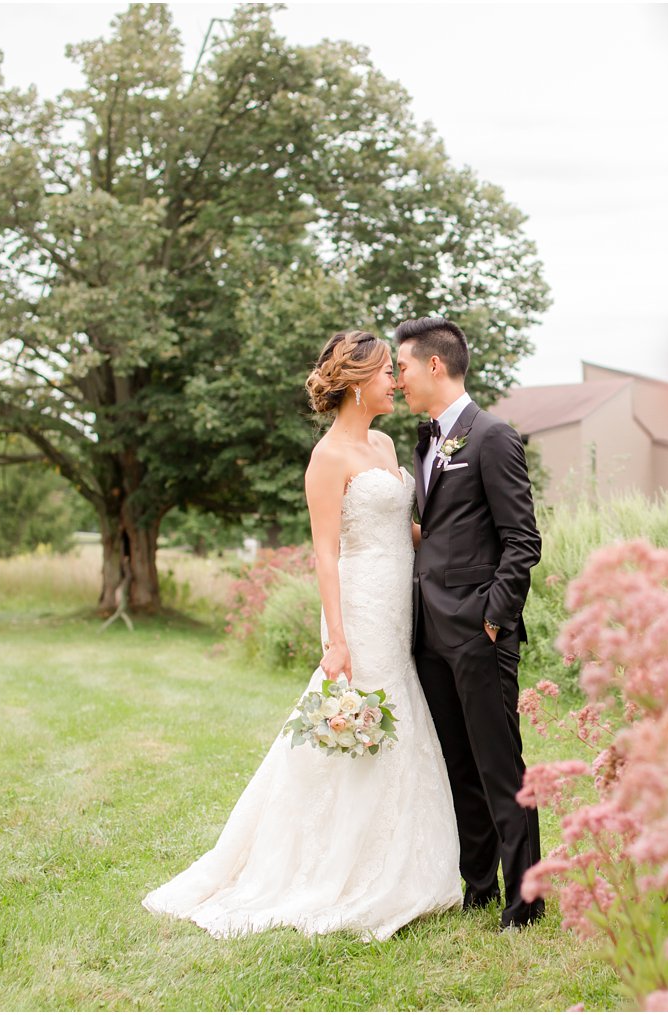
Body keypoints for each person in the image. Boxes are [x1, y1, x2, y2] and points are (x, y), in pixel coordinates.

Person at [142, 330, 461, 940]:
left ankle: (405, 853)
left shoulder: (387, 441)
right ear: (358, 382)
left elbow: (405, 527)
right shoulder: (328, 458)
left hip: (400, 603)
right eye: (386, 372)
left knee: (401, 714)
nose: (396, 380)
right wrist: (335, 638)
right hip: (358, 606)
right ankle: (330, 863)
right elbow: (325, 551)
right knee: (359, 717)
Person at [395, 316, 545, 930]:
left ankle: (526, 901)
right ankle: (478, 886)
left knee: (498, 767)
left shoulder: (492, 437)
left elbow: (522, 540)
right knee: (457, 765)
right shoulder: (426, 442)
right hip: (429, 633)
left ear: (435, 365)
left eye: (401, 366)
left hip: (480, 633)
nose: (396, 378)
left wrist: (493, 618)